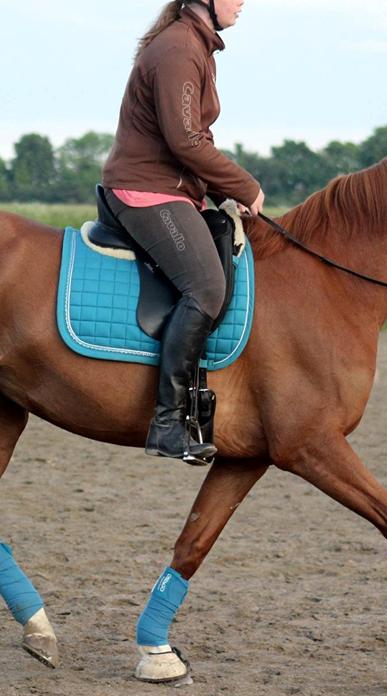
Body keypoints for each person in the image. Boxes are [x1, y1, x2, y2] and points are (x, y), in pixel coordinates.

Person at [101, 0, 265, 463]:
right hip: (145, 190)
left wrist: (220, 194)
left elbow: (194, 141)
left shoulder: (195, 46)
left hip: (172, 190)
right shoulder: (178, 48)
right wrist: (245, 186)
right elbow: (185, 141)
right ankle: (168, 423)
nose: (244, 2)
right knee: (206, 287)